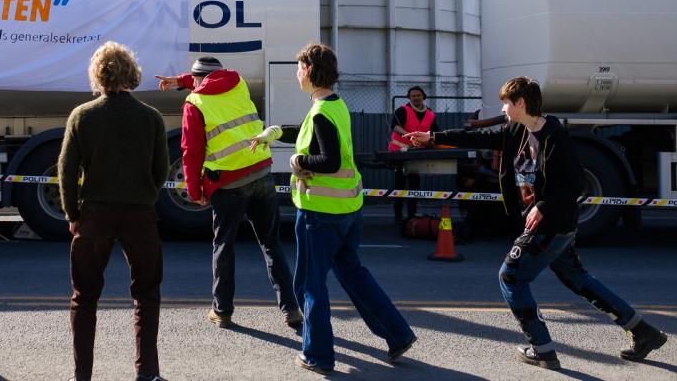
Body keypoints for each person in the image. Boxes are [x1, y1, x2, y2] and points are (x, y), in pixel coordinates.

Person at [406, 76, 668, 369]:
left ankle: (542, 349)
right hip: (550, 224)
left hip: (551, 225)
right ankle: (644, 332)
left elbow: (575, 183)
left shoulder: (554, 136)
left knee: (511, 278)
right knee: (579, 279)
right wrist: (434, 137)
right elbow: (485, 139)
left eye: (506, 102)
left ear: (521, 103)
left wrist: (542, 206)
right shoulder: (519, 129)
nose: (503, 108)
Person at [253, 43, 416, 374]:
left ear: (310, 71)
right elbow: (315, 137)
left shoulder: (321, 112)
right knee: (353, 273)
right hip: (346, 210)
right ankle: (398, 334)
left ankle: (318, 355)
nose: (296, 73)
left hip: (320, 214)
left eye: (299, 67)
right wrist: (277, 133)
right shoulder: (333, 104)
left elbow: (328, 159)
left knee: (309, 286)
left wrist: (298, 161)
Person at [156, 57, 301, 329]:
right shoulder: (239, 83)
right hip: (260, 172)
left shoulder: (194, 104)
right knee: (271, 244)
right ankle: (291, 308)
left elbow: (192, 152)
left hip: (228, 183)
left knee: (224, 245)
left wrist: (194, 190)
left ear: (198, 79)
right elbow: (209, 82)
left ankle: (222, 311)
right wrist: (183, 81)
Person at [59, 42, 169, 381]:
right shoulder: (151, 117)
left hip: (95, 215)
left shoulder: (82, 115)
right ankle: (146, 371)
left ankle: (83, 375)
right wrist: (146, 195)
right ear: (130, 74)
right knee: (146, 293)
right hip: (140, 214)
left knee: (84, 296)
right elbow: (161, 169)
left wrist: (72, 214)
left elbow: (66, 168)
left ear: (98, 75)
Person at [387, 86, 439, 223]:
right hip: (400, 151)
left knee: (414, 184)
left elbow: (434, 132)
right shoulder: (402, 110)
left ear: (423, 97)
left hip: (417, 153)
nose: (416, 98)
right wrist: (410, 136)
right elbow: (395, 126)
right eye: (413, 96)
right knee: (400, 184)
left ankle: (412, 215)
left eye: (418, 95)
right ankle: (398, 215)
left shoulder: (430, 114)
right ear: (409, 98)